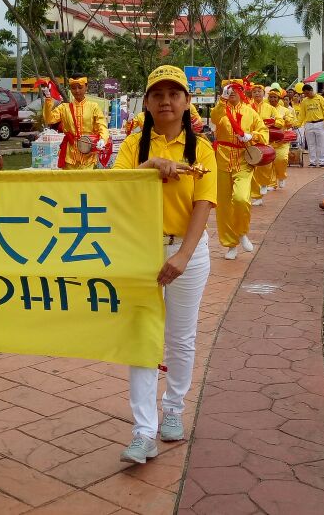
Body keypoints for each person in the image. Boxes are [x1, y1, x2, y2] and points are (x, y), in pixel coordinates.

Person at [113, 65, 217, 464]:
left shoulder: (201, 149)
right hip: (139, 253)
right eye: (158, 94)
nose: (166, 101)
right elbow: (115, 189)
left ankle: (173, 408)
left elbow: (203, 206)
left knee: (180, 337)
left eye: (175, 93)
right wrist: (150, 165)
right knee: (141, 339)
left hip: (187, 252)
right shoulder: (133, 146)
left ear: (188, 102)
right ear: (147, 102)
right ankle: (143, 431)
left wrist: (182, 257)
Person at [211, 79, 268, 260]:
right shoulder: (221, 110)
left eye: (236, 89)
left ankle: (242, 232)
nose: (233, 92)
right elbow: (214, 118)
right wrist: (222, 99)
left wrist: (252, 135)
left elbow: (264, 133)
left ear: (243, 91)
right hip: (222, 159)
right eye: (229, 89)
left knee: (241, 198)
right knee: (224, 205)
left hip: (243, 160)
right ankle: (230, 244)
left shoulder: (250, 112)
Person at [41, 77, 109, 170]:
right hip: (69, 153)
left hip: (88, 152)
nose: (77, 91)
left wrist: (103, 139)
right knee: (70, 183)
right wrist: (48, 99)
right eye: (73, 88)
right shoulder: (64, 107)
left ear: (86, 87)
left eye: (80, 87)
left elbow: (102, 125)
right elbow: (49, 119)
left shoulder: (94, 107)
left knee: (85, 183)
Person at [297, 83, 324, 167]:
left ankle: (322, 161)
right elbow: (302, 114)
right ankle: (312, 161)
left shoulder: (320, 98)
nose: (306, 95)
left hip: (319, 123)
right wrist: (298, 124)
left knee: (321, 143)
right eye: (305, 93)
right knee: (311, 144)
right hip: (308, 124)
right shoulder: (304, 101)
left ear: (312, 90)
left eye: (307, 93)